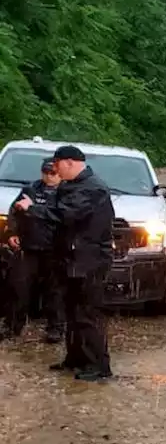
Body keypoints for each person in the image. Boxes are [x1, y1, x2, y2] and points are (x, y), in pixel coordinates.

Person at [16, 145, 115, 381]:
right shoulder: (73, 186)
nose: (55, 170)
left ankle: (98, 366)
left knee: (87, 314)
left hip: (89, 260)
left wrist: (33, 209)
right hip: (70, 259)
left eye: (57, 165)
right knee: (71, 312)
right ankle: (75, 359)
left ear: (69, 162)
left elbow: (65, 214)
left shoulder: (92, 188)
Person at [2, 158, 65, 343]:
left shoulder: (66, 193)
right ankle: (12, 325)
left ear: (60, 174)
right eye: (45, 172)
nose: (48, 177)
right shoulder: (30, 189)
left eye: (52, 173)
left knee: (55, 291)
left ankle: (56, 328)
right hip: (29, 247)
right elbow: (14, 211)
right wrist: (12, 232)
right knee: (18, 287)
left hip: (54, 249)